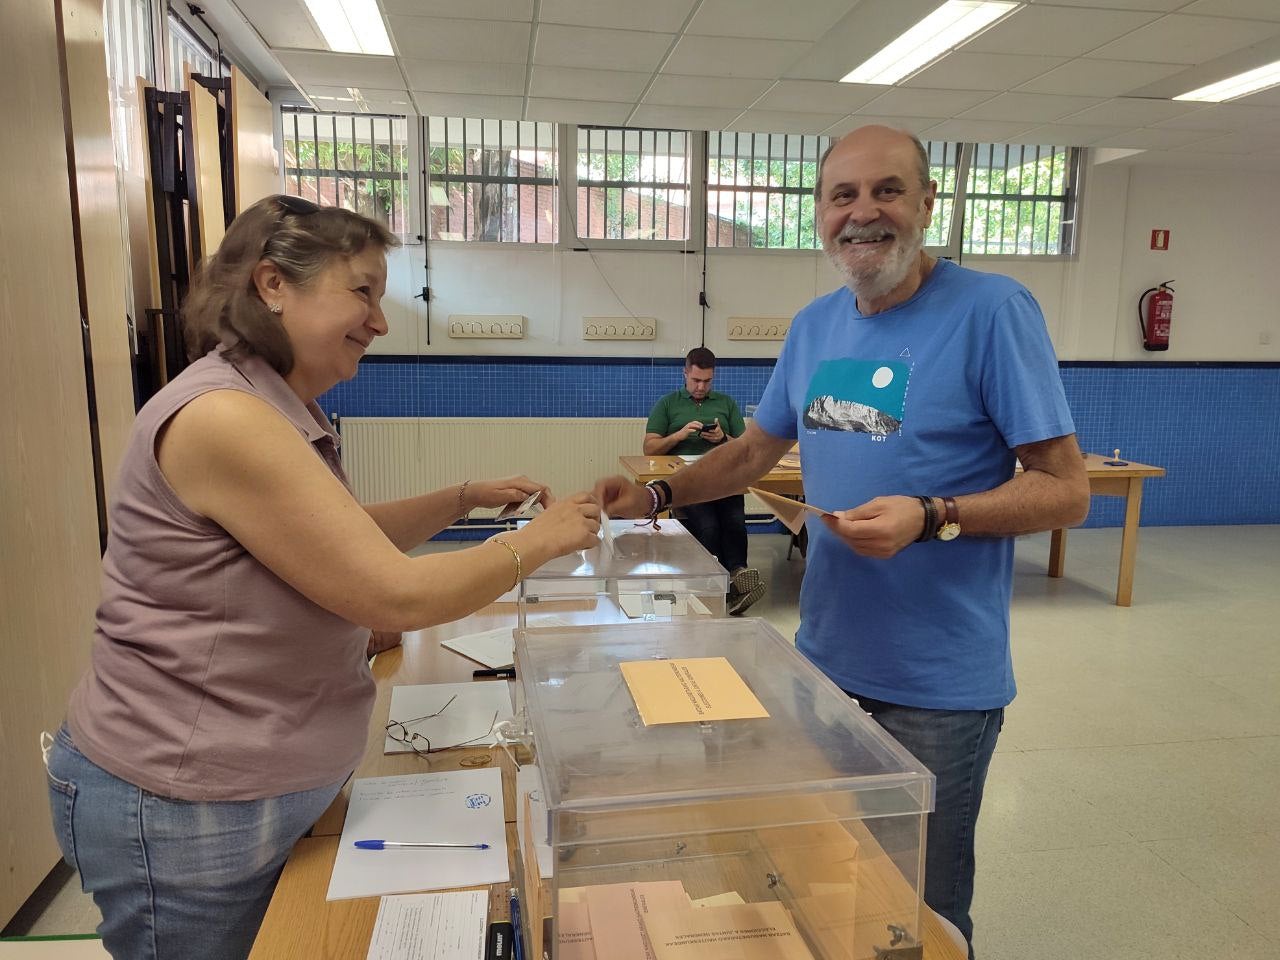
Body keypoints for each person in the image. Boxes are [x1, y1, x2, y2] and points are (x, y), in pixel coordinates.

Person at [44, 195, 601, 960]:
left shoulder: (273, 403)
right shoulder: (226, 417)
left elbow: (333, 541)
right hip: (182, 802)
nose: (379, 320)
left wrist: (462, 499)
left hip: (247, 787)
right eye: (363, 291)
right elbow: (390, 592)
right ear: (274, 285)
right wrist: (538, 542)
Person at [595, 126, 1090, 958]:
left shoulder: (992, 310)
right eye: (843, 195)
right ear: (820, 214)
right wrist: (658, 490)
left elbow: (1066, 490)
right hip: (822, 666)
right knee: (825, 881)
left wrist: (932, 514)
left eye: (887, 191)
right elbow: (755, 453)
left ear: (928, 203)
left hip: (939, 685)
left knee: (919, 914)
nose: (864, 213)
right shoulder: (816, 325)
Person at [644, 347, 764, 615]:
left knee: (734, 522)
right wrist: (679, 435)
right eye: (696, 380)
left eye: (707, 381)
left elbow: (746, 448)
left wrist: (722, 439)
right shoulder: (667, 403)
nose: (701, 387)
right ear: (685, 374)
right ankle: (717, 583)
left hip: (724, 476)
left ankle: (737, 576)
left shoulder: (726, 403)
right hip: (688, 480)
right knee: (709, 526)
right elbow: (650, 448)